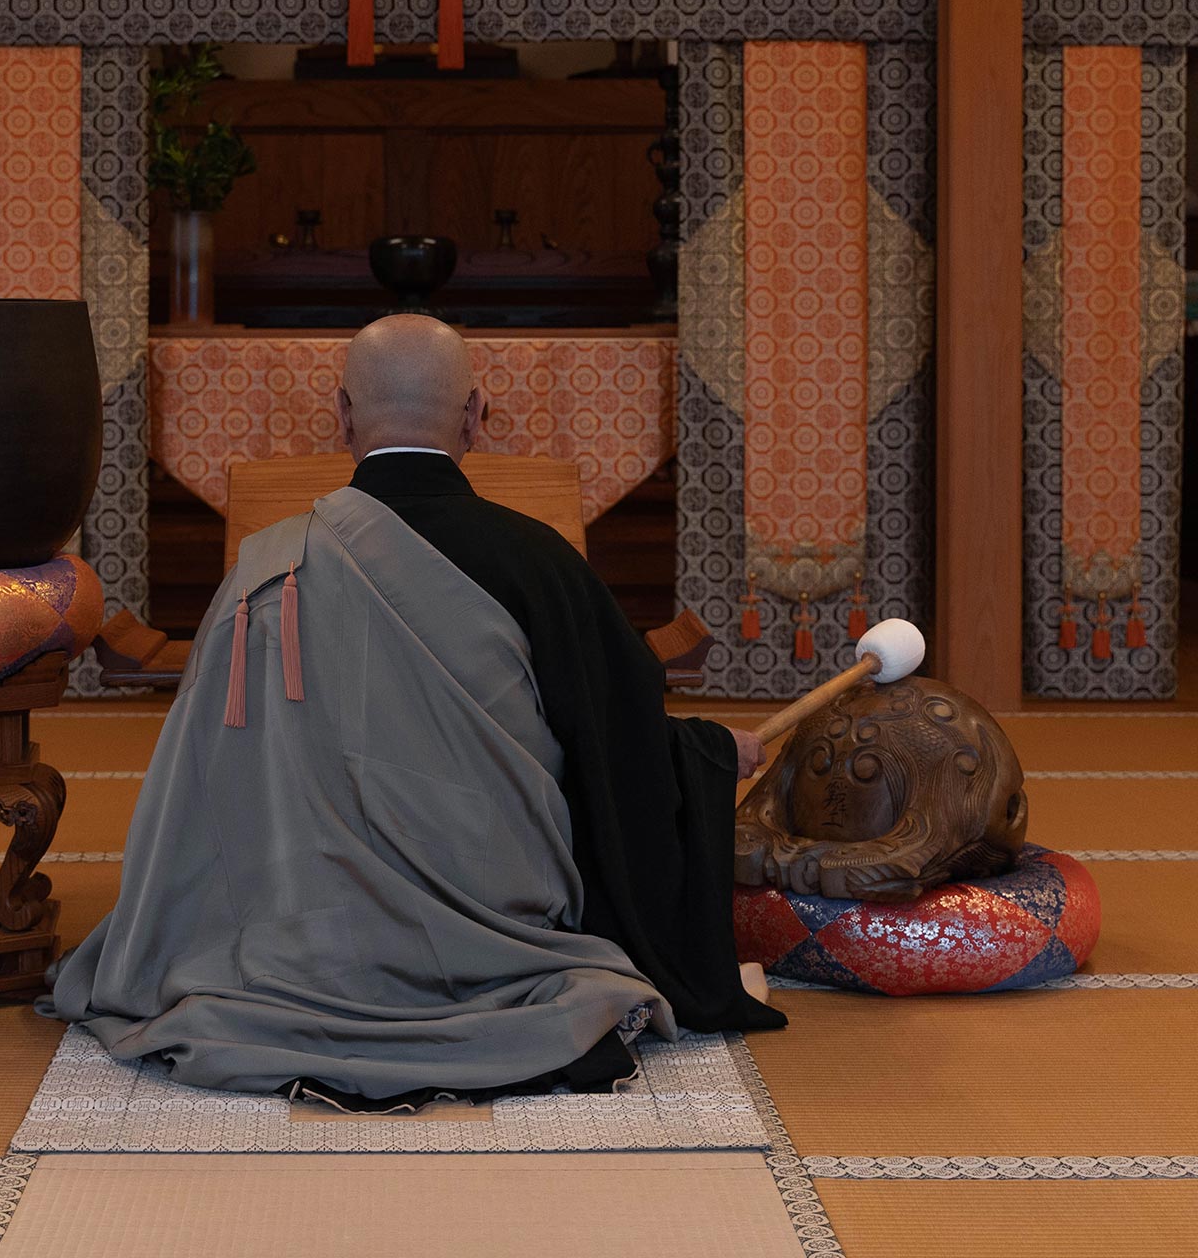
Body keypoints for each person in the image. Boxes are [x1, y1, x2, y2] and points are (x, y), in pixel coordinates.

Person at [40, 315, 785, 1112]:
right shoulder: (541, 564)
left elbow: (196, 788)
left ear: (342, 414)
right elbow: (621, 752)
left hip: (292, 939)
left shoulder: (267, 569)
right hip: (494, 936)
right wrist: (705, 755)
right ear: (475, 416)